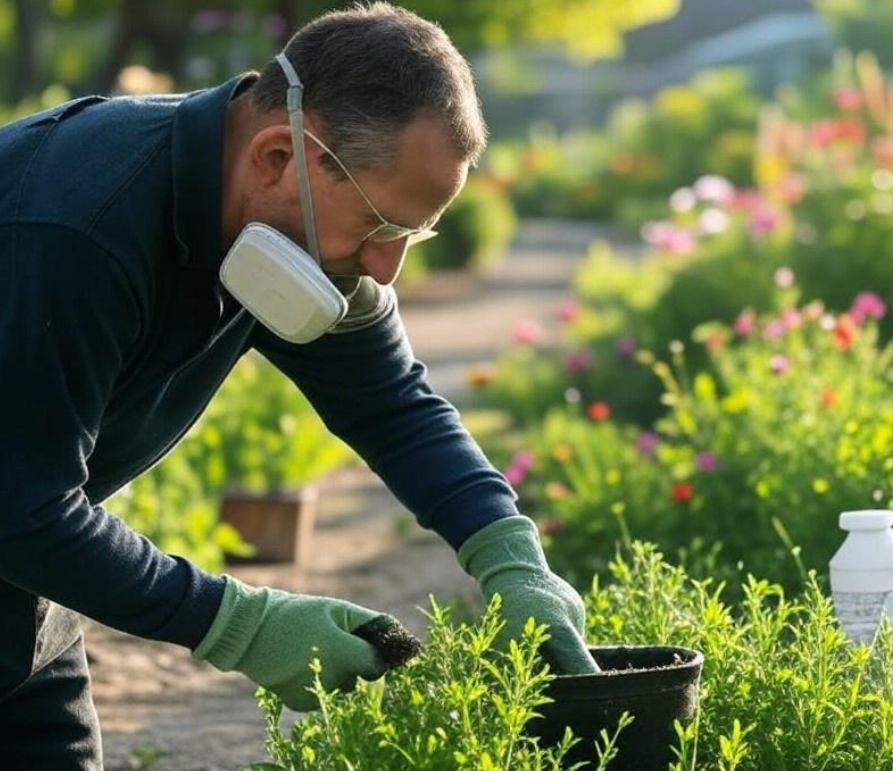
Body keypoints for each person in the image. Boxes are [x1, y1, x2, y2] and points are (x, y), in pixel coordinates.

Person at [0, 3, 600, 768]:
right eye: (380, 226)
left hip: (23, 606)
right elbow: (20, 505)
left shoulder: (273, 228)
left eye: (413, 234)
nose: (387, 269)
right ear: (278, 157)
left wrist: (512, 557)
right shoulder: (75, 229)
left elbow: (394, 407)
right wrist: (239, 621)